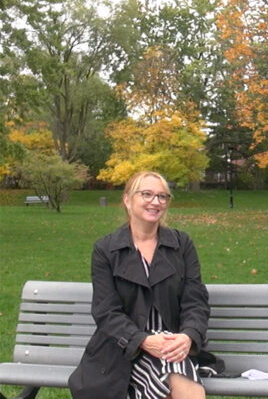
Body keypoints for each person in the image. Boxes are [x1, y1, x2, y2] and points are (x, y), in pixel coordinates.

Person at [69, 171, 210, 399]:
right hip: (123, 349)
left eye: (162, 196)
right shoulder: (106, 250)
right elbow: (106, 311)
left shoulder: (181, 245)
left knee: (178, 373)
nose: (156, 202)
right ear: (127, 200)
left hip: (172, 345)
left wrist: (188, 336)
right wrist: (142, 340)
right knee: (172, 379)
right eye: (147, 194)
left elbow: (195, 300)